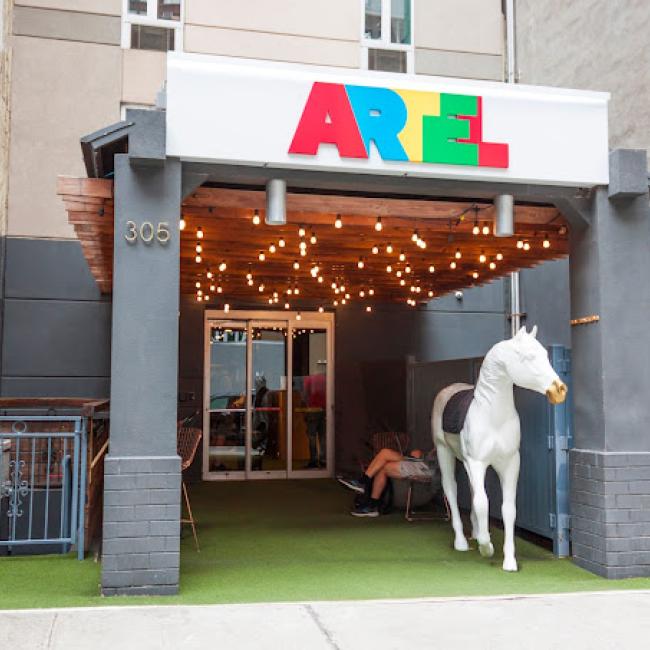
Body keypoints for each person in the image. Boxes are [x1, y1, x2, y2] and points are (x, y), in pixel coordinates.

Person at [338, 447, 433, 517]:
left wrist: (423, 456)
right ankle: (372, 504)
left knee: (385, 455)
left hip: (424, 466)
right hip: (419, 463)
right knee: (384, 459)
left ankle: (364, 483)